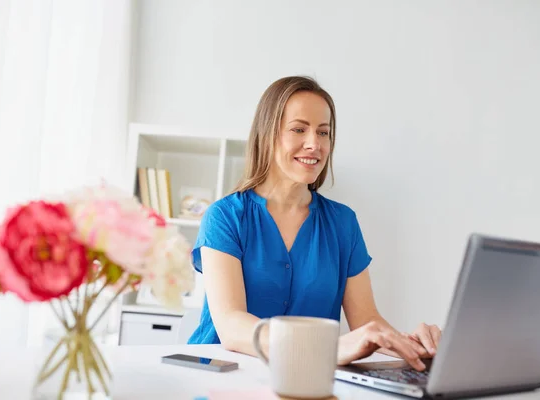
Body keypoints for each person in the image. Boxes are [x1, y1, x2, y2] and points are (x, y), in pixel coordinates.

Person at [187, 76, 441, 371]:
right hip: (222, 378)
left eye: (323, 132)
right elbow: (231, 325)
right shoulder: (225, 217)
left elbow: (367, 323)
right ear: (268, 134)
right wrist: (325, 348)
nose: (314, 144)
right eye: (298, 129)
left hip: (306, 379)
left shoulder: (343, 223)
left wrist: (419, 348)